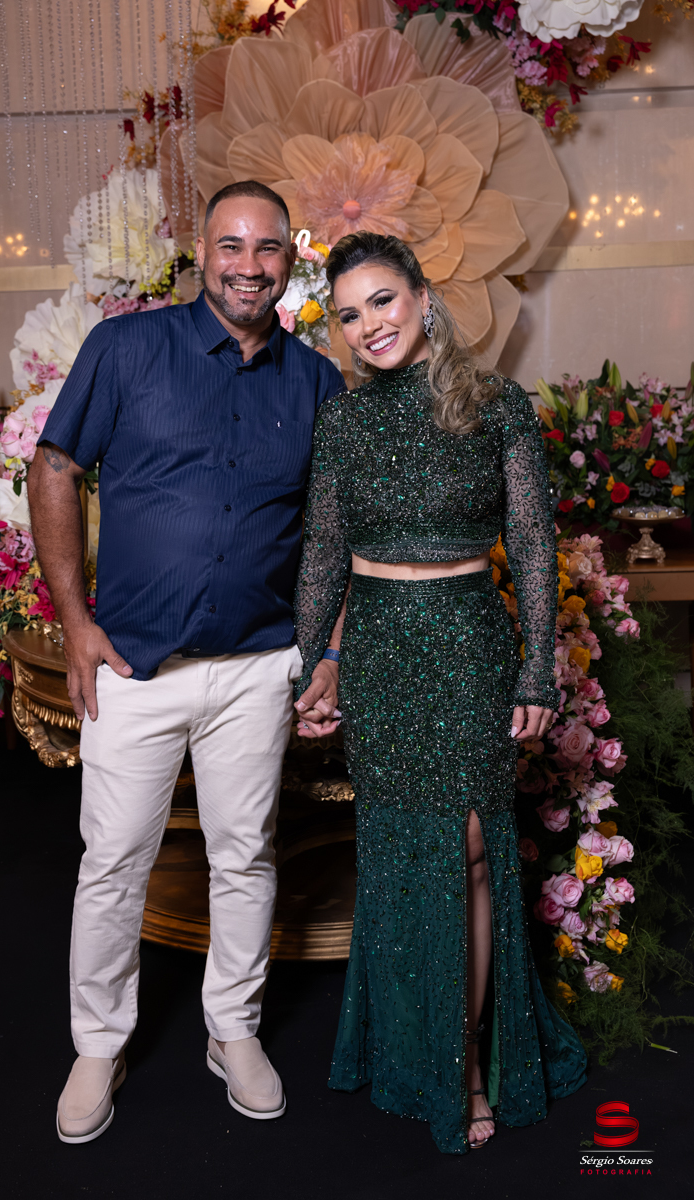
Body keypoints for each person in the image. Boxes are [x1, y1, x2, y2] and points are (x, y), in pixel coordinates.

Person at [27, 180, 345, 1144]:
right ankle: (98, 1044)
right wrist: (74, 623)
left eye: (267, 248)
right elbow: (55, 467)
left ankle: (232, 1030)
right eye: (230, 246)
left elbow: (334, 527)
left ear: (290, 262)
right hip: (133, 666)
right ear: (200, 253)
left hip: (257, 667)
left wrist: (328, 646)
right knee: (114, 860)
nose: (248, 265)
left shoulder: (316, 382)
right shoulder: (126, 349)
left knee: (244, 856)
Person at [293, 232, 587, 1154]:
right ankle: (412, 1046)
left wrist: (537, 666)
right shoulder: (343, 422)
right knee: (399, 854)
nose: (368, 326)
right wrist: (314, 663)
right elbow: (323, 552)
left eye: (382, 300)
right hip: (380, 652)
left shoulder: (496, 405)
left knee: (470, 851)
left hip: (467, 644)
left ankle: (464, 1065)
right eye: (349, 314)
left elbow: (532, 542)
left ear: (423, 298)